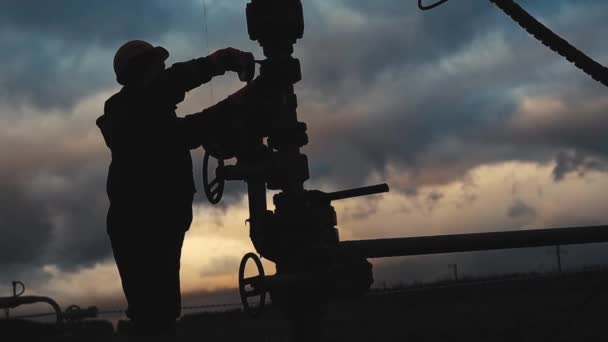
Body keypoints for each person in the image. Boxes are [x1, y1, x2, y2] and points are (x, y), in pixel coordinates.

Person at [96, 40, 256, 338]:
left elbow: (175, 84)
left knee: (161, 311)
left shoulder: (140, 106)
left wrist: (220, 62)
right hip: (142, 224)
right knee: (154, 314)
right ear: (142, 71)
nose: (164, 69)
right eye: (158, 65)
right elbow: (184, 132)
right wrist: (235, 100)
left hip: (155, 222)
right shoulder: (128, 113)